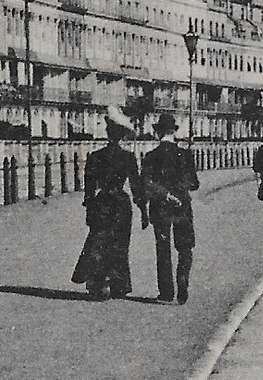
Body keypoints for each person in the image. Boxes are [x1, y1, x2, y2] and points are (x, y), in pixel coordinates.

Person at [72, 107, 139, 300]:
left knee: (98, 242)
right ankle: (119, 284)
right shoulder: (128, 157)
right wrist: (143, 209)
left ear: (108, 133)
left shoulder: (95, 156)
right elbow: (136, 186)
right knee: (120, 244)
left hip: (102, 203)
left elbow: (89, 188)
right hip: (120, 204)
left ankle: (98, 282)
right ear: (121, 135)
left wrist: (89, 208)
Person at [140, 112, 200, 304]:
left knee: (163, 248)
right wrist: (179, 192)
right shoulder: (185, 155)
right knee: (185, 247)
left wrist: (165, 194)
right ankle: (182, 280)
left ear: (158, 133)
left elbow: (147, 183)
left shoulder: (150, 156)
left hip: (160, 207)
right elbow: (194, 183)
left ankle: (166, 292)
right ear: (174, 132)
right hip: (182, 206)